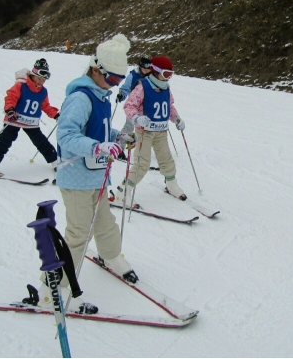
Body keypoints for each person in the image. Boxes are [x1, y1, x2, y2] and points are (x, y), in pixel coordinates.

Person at [39, 34, 138, 314]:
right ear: (96, 69)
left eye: (121, 80)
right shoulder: (81, 97)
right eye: (113, 79)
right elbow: (67, 136)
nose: (117, 85)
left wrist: (118, 139)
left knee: (105, 224)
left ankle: (112, 257)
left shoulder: (102, 96)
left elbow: (101, 132)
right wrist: (98, 147)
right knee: (78, 235)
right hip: (77, 179)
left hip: (96, 177)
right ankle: (55, 286)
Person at [116, 55, 187, 204]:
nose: (169, 78)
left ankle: (171, 185)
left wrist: (177, 119)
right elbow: (129, 106)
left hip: (161, 131)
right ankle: (124, 191)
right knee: (142, 163)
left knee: (166, 160)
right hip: (145, 132)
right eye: (166, 74)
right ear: (156, 71)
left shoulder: (166, 87)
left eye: (171, 74)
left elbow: (169, 106)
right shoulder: (142, 86)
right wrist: (136, 118)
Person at [0, 59, 59, 177]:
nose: (41, 82)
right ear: (33, 75)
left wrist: (56, 115)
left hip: (31, 122)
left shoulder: (43, 91)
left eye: (43, 80)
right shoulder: (21, 85)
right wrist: (10, 110)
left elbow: (45, 106)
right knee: (5, 141)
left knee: (41, 142)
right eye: (39, 79)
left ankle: (55, 161)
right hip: (14, 120)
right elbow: (11, 97)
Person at [114, 55, 152, 158]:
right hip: (134, 105)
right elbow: (126, 87)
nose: (146, 71)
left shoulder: (152, 76)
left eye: (148, 68)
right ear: (140, 67)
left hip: (147, 105)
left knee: (147, 127)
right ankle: (119, 148)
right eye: (144, 68)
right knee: (129, 125)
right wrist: (122, 94)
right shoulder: (133, 75)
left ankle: (143, 150)